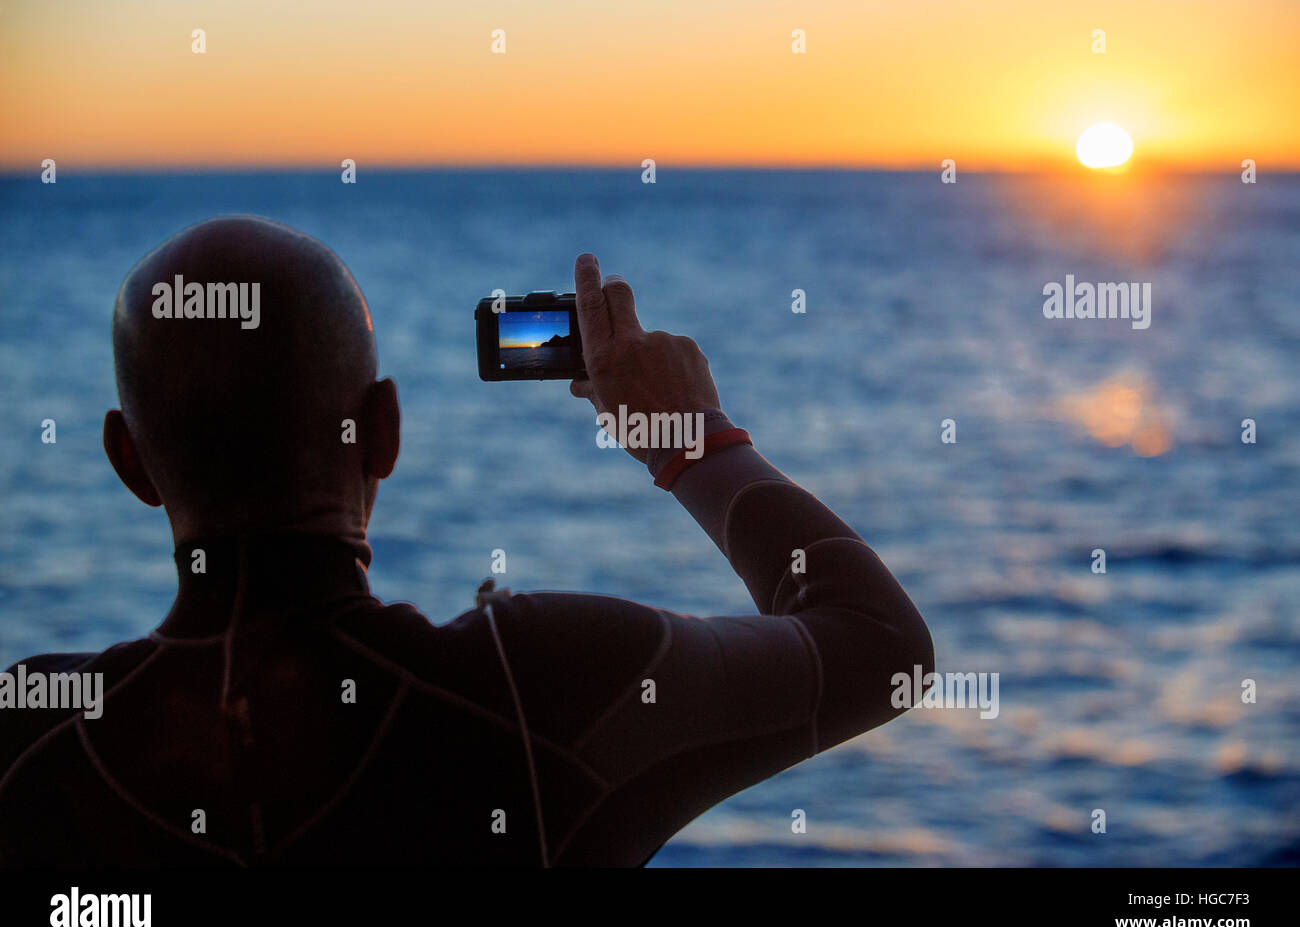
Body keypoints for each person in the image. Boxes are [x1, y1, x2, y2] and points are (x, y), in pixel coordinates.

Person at [0, 215, 933, 866]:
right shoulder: (535, 690)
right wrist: (690, 439)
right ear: (385, 431)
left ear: (130, 461)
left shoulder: (31, 738)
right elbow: (881, 646)